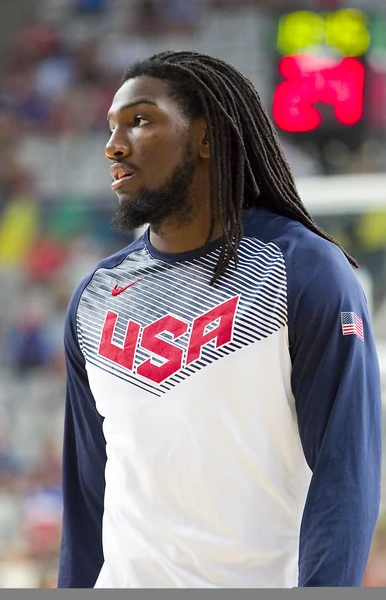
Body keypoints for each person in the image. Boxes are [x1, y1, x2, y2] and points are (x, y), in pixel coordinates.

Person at [57, 50, 382, 588]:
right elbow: (88, 496)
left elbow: (346, 475)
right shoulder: (97, 296)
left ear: (207, 137)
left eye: (140, 121)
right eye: (111, 127)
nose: (114, 146)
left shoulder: (303, 270)